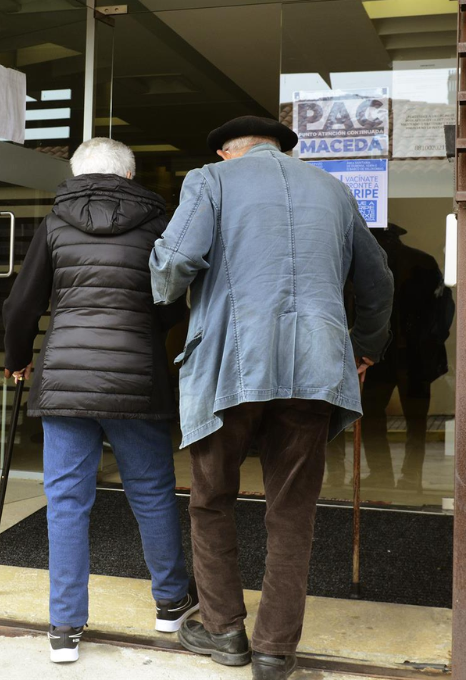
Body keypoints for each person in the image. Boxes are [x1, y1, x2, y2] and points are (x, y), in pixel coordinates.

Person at [149, 116, 393, 680]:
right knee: (292, 510)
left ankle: (224, 631)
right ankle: (274, 650)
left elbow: (176, 264)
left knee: (211, 498)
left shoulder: (210, 179)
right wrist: (364, 349)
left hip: (231, 366)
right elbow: (378, 281)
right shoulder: (331, 189)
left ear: (225, 151)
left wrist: (162, 286)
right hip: (315, 366)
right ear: (282, 149)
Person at [1, 137, 195, 664]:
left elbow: (21, 304)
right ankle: (170, 603)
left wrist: (18, 358)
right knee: (152, 492)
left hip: (65, 378)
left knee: (66, 501)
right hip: (135, 378)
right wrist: (146, 328)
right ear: (129, 176)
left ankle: (64, 627)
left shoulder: (55, 224)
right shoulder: (160, 224)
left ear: (77, 173)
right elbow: (172, 300)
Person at [356, 224, 455, 491]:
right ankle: (409, 476)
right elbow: (444, 308)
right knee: (415, 420)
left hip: (380, 355)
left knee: (372, 415)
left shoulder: (367, 266)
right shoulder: (422, 261)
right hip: (414, 355)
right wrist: (432, 342)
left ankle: (382, 473)